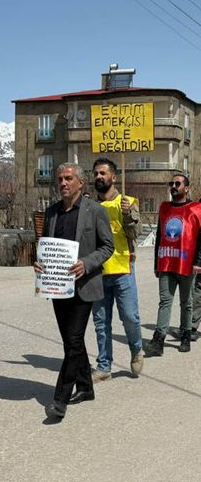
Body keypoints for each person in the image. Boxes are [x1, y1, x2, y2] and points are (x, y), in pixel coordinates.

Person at [36, 162, 113, 421]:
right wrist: (40, 263)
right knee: (73, 341)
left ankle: (60, 399)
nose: (63, 183)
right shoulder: (51, 212)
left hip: (84, 287)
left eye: (68, 178)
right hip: (58, 287)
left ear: (81, 182)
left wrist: (86, 263)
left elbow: (107, 247)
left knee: (72, 342)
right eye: (60, 179)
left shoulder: (95, 211)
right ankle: (86, 387)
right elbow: (45, 246)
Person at [89, 158, 144, 380]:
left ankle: (136, 350)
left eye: (103, 173)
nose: (99, 177)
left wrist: (128, 215)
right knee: (101, 322)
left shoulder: (128, 202)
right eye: (96, 174)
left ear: (113, 176)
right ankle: (104, 366)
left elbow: (136, 234)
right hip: (98, 272)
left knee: (130, 316)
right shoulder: (90, 207)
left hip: (123, 269)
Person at [146, 173, 201, 356]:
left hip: (187, 264)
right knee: (165, 302)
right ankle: (158, 339)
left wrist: (198, 262)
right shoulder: (164, 208)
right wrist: (156, 263)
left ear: (186, 188)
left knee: (186, 303)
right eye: (172, 183)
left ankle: (186, 334)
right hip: (166, 263)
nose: (174, 186)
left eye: (178, 183)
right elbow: (160, 236)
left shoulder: (196, 209)